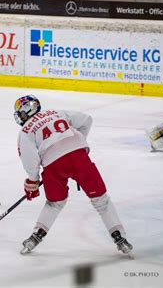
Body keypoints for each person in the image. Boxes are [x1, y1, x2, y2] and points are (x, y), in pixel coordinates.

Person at [13, 95, 133, 255]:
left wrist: (33, 180)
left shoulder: (26, 130)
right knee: (101, 200)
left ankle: (36, 236)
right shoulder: (56, 112)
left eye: (20, 113)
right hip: (79, 157)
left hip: (54, 164)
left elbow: (29, 157)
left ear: (28, 110)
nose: (20, 117)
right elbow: (86, 120)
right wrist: (78, 144)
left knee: (55, 203)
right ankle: (120, 238)